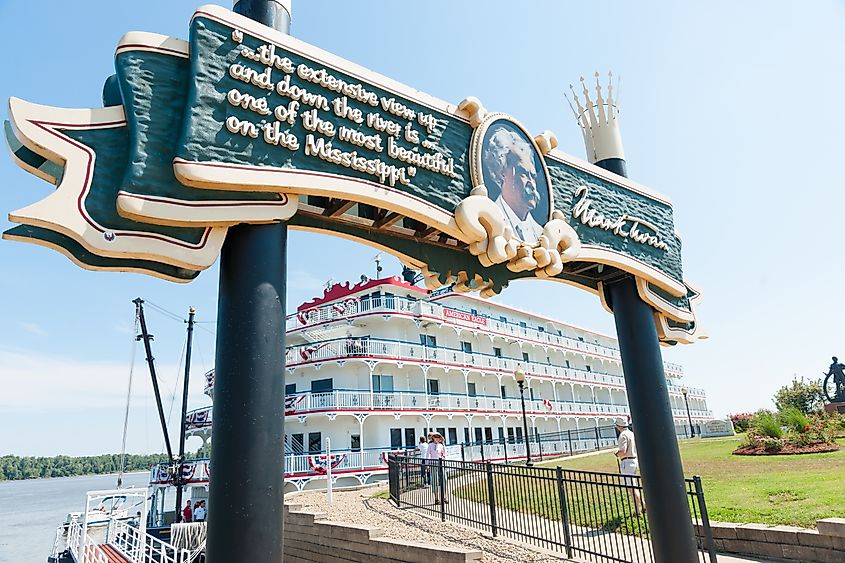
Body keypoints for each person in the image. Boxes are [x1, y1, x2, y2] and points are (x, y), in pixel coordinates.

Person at [482, 126, 544, 244]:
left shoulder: (539, 233)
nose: (531, 183)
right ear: (501, 172)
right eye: (523, 173)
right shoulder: (488, 220)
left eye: (533, 176)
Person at [614, 418, 645, 516]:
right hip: (634, 460)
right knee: (633, 485)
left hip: (626, 462)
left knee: (631, 488)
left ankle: (638, 510)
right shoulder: (631, 433)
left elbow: (623, 451)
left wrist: (617, 453)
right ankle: (642, 505)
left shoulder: (623, 435)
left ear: (618, 426)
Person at [427, 433, 448, 505]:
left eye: (438, 437)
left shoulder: (441, 445)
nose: (436, 438)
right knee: (435, 480)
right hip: (433, 463)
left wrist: (443, 443)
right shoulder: (430, 445)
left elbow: (444, 453)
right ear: (433, 438)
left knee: (444, 479)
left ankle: (444, 497)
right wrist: (428, 464)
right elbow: (428, 455)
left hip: (441, 463)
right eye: (435, 437)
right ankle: (436, 498)